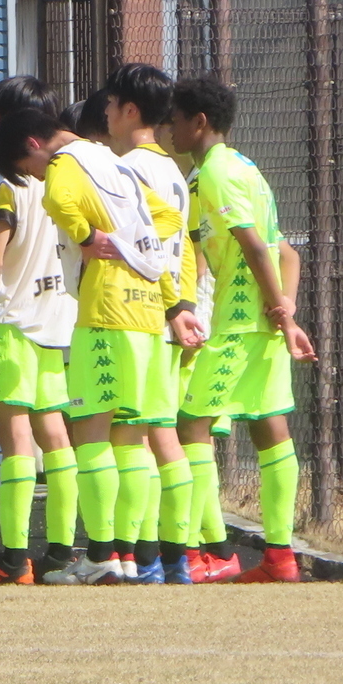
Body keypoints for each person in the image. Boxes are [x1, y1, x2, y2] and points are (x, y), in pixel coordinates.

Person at [0, 106, 198, 586]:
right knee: (133, 436)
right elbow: (165, 219)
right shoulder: (113, 161)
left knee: (90, 430)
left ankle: (102, 553)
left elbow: (60, 202)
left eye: (32, 171)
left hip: (104, 311)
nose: (39, 177)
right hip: (147, 312)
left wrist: (89, 238)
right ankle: (129, 555)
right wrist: (164, 291)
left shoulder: (66, 162)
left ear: (33, 146)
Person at [171, 74, 315, 583]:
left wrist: (283, 313)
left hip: (238, 325)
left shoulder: (214, 174)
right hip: (266, 325)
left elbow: (258, 248)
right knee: (269, 427)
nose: (170, 128)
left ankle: (193, 553)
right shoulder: (248, 169)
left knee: (189, 423)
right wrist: (284, 311)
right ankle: (280, 558)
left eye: (175, 118)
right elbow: (287, 253)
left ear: (199, 122)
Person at [0, 76, 78, 584]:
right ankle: (62, 548)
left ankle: (13, 559)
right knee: (55, 437)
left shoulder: (11, 186)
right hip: (53, 327)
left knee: (14, 443)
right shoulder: (67, 181)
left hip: (9, 325)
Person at [105, 63, 202, 583]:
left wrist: (170, 305)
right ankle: (174, 559)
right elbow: (183, 248)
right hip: (167, 318)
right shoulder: (174, 172)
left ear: (130, 110)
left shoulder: (129, 169)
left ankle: (140, 560)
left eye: (111, 103)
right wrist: (185, 305)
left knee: (128, 437)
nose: (105, 112)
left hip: (138, 313)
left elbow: (144, 250)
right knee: (161, 433)